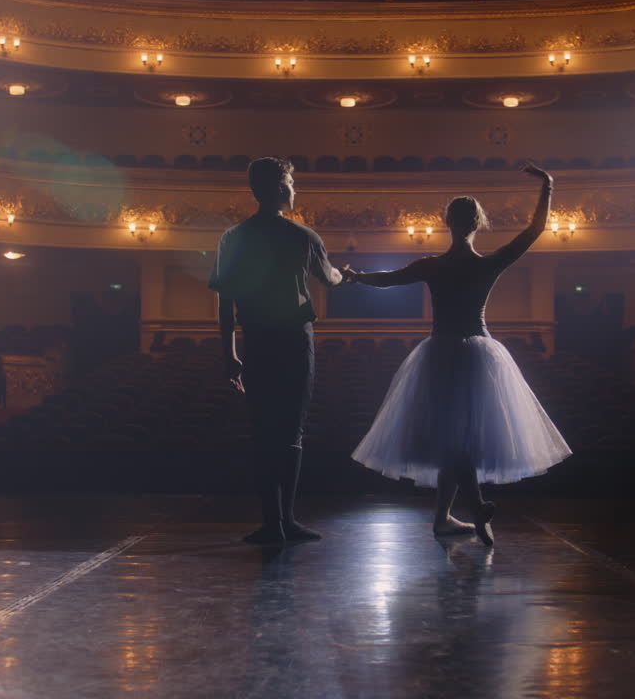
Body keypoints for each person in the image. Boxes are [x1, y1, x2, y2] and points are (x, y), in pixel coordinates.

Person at [342, 164, 571, 545]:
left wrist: (354, 277)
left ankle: (446, 517)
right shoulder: (487, 264)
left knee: (454, 440)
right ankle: (473, 506)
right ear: (477, 224)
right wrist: (548, 187)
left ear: (447, 222)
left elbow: (386, 280)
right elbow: (534, 231)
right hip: (478, 353)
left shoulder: (433, 265)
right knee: (460, 440)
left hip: (441, 353)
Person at [209, 156, 343, 545]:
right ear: (280, 188)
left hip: (257, 340)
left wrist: (228, 353)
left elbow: (225, 304)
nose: (294, 189)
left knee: (263, 432)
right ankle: (287, 519)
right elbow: (329, 279)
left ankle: (274, 523)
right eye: (291, 183)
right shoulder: (304, 236)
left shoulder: (234, 237)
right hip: (295, 341)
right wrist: (343, 273)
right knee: (292, 432)